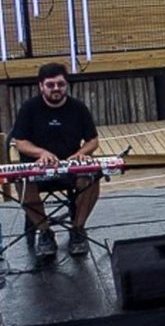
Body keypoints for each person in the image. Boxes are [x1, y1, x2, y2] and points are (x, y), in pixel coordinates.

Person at [10, 62, 101, 261]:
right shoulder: (29, 108)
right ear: (41, 86)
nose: (56, 89)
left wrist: (81, 153)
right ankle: (45, 232)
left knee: (92, 177)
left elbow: (93, 141)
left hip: (70, 169)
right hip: (37, 169)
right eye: (50, 85)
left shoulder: (78, 108)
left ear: (66, 85)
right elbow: (19, 142)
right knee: (22, 181)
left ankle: (78, 229)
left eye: (60, 84)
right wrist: (41, 153)